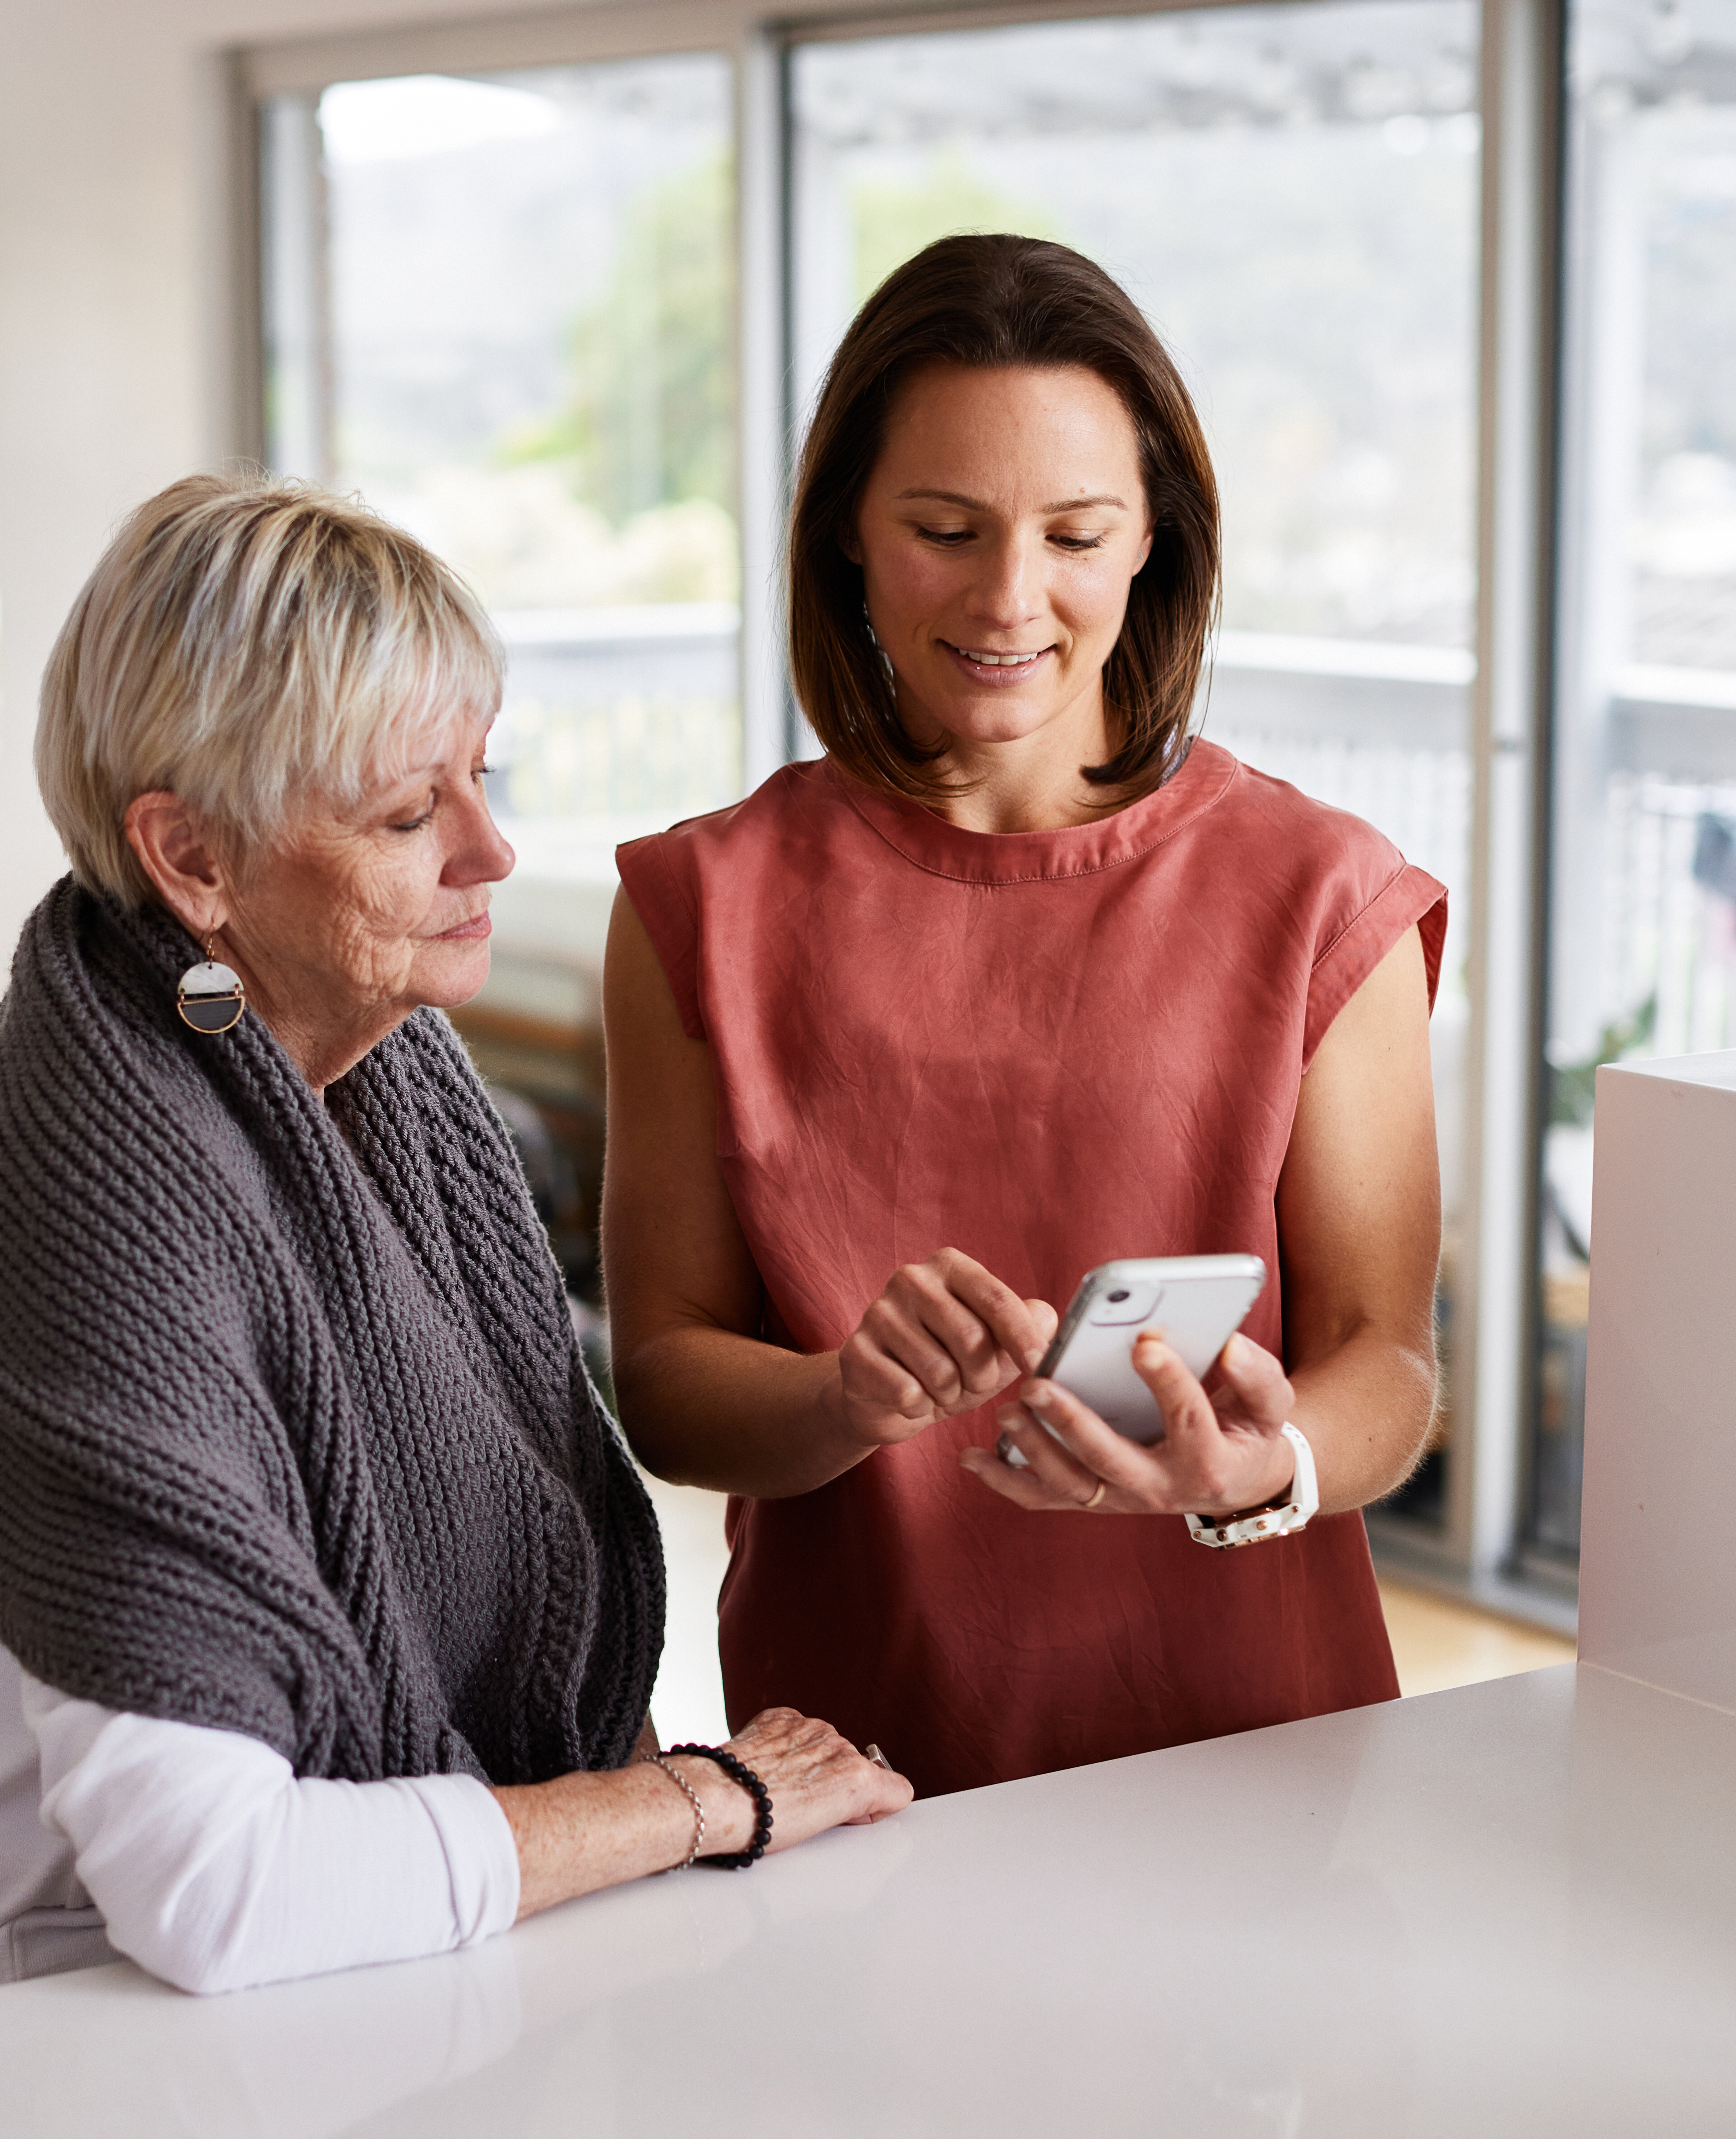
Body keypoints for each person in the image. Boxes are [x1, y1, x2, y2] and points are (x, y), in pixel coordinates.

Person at [0, 471, 909, 2012]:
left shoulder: (361, 1067)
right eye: (410, 811)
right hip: (51, 2031)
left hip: (336, 1995)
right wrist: (702, 1802)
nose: (489, 848)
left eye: (482, 775)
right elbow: (216, 1893)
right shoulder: (89, 1218)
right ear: (193, 861)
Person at [605, 236, 1447, 1801]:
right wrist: (839, 1395)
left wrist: (1262, 1466)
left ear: (1153, 547)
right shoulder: (696, 906)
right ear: (847, 534)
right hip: (853, 1773)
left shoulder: (1325, 894)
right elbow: (661, 1376)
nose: (1008, 600)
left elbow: (1384, 1361)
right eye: (942, 529)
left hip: (1252, 1765)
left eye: (1074, 533)